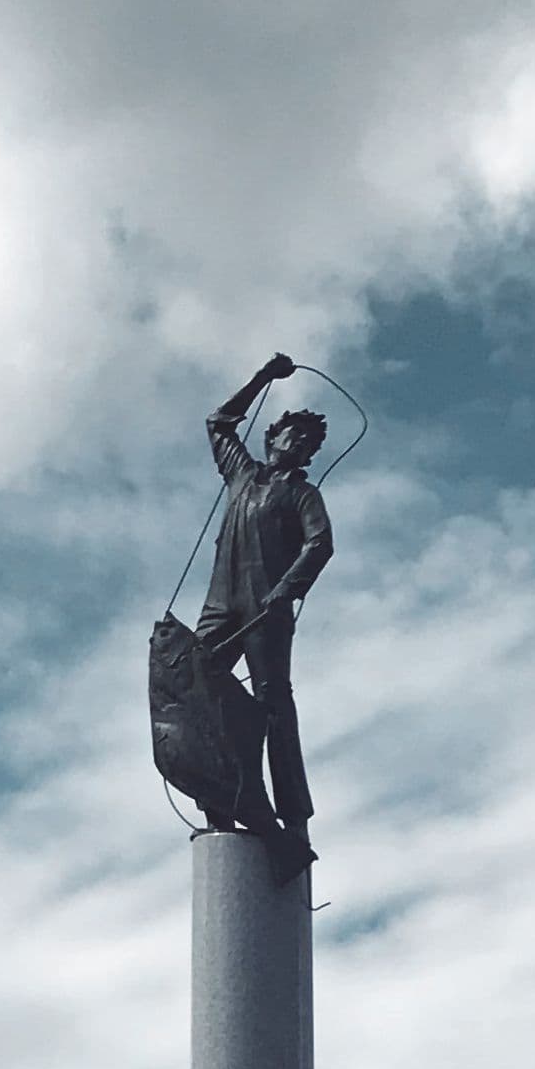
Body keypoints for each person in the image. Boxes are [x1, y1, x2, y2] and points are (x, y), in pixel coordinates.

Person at [194, 352, 333, 874]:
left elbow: (320, 543)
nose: (298, 445)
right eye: (292, 435)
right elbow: (219, 422)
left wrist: (285, 590)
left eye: (307, 444)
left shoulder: (303, 495)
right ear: (272, 436)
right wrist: (261, 378)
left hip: (267, 605)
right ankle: (221, 800)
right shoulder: (241, 475)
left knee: (274, 704)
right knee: (200, 686)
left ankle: (293, 816)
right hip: (220, 604)